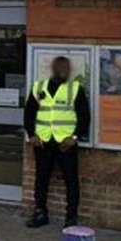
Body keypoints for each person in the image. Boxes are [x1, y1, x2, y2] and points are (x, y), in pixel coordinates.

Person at [23, 55, 89, 229]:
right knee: (41, 178)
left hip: (65, 143)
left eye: (67, 69)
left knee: (71, 180)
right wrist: (32, 135)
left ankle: (71, 217)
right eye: (62, 68)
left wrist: (74, 137)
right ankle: (40, 213)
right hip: (43, 141)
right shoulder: (39, 87)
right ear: (54, 69)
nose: (65, 72)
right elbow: (29, 113)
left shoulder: (75, 89)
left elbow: (84, 117)